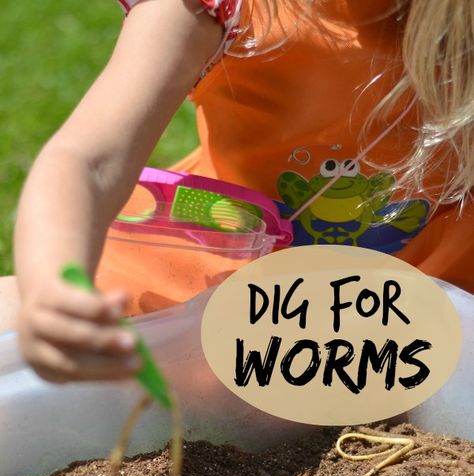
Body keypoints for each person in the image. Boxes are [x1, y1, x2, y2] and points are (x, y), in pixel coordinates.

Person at [5, 0, 474, 383]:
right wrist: (52, 287)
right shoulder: (218, 8)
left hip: (431, 300)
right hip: (219, 276)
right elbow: (89, 160)